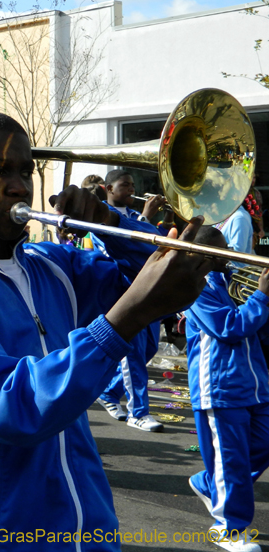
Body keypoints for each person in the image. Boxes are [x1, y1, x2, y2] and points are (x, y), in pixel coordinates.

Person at [0, 110, 214, 550]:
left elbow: (157, 268)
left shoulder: (53, 266)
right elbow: (9, 409)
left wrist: (111, 218)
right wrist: (119, 323)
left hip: (86, 526)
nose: (20, 186)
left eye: (26, 171)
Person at [185, 227, 269, 552]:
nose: (231, 252)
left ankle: (209, 482)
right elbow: (228, 327)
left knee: (258, 447)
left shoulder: (228, 281)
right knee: (233, 462)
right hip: (219, 387)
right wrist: (262, 295)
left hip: (255, 384)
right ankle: (228, 528)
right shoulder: (193, 288)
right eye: (223, 249)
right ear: (204, 255)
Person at [92, 169, 175, 432]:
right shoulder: (100, 215)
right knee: (134, 355)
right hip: (123, 293)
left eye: (132, 185)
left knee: (149, 349)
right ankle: (138, 413)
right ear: (109, 189)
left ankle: (108, 392)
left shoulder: (131, 215)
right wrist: (145, 217)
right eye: (124, 185)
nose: (130, 190)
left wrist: (164, 221)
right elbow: (116, 247)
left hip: (146, 291)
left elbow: (153, 247)